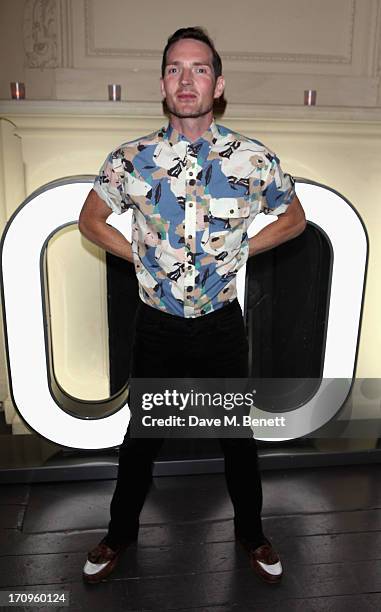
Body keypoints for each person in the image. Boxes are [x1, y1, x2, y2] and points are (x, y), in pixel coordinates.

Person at [79, 26, 306, 585]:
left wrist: (240, 251)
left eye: (199, 69)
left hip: (220, 324)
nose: (187, 79)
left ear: (218, 83)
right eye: (176, 69)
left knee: (235, 436)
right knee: (141, 437)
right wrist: (140, 256)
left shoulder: (254, 159)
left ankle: (252, 535)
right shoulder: (131, 159)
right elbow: (90, 221)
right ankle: (118, 535)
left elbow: (295, 219)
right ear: (163, 85)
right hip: (156, 325)